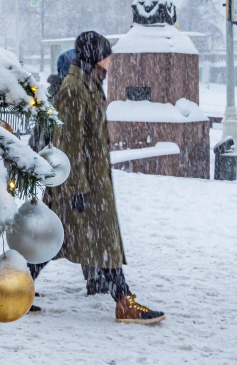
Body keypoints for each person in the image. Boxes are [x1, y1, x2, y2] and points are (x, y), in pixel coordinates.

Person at [29, 31, 165, 325]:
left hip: (87, 186)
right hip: (81, 188)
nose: (108, 67)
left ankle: (13, 290)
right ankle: (124, 303)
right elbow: (69, 144)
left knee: (53, 243)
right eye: (104, 59)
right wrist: (76, 189)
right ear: (92, 59)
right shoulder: (74, 89)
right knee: (99, 243)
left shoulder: (88, 85)